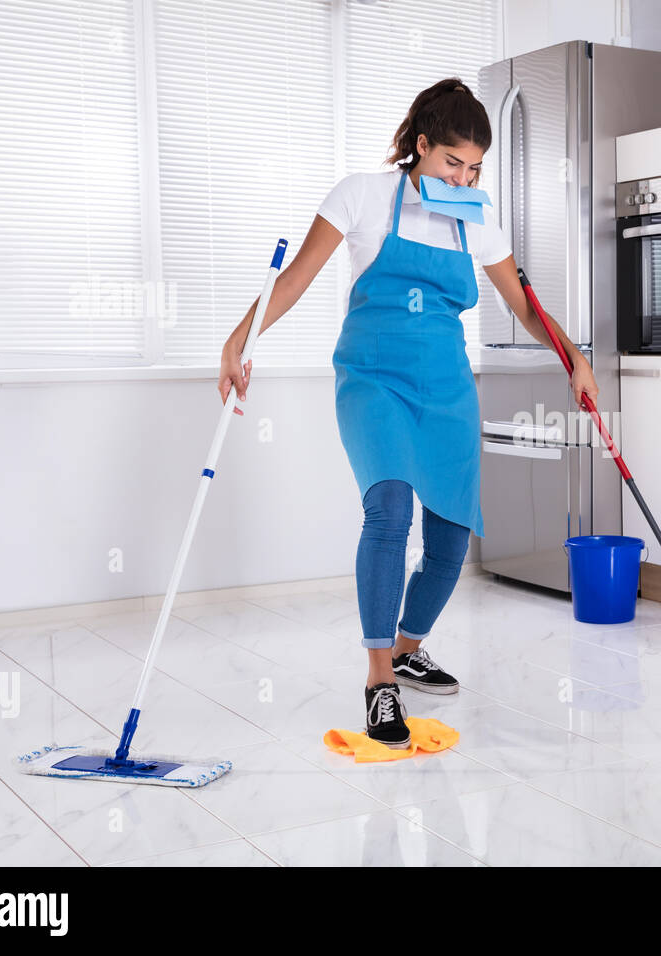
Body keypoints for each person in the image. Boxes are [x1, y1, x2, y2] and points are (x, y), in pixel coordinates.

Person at [218, 78, 599, 748]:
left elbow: (522, 304)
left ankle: (405, 647)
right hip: (373, 379)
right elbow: (296, 278)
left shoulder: (476, 217)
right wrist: (238, 339)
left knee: (452, 539)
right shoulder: (362, 196)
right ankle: (378, 682)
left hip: (447, 386)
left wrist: (573, 355)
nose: (465, 175)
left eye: (476, 166)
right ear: (422, 147)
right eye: (453, 162)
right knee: (389, 509)